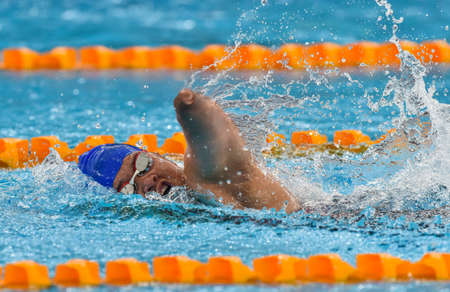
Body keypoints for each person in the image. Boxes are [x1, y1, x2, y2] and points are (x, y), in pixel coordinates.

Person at [78, 89, 300, 213]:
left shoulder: (205, 179)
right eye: (127, 188)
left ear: (157, 155)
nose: (147, 181)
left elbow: (211, 141)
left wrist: (189, 108)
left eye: (143, 164)